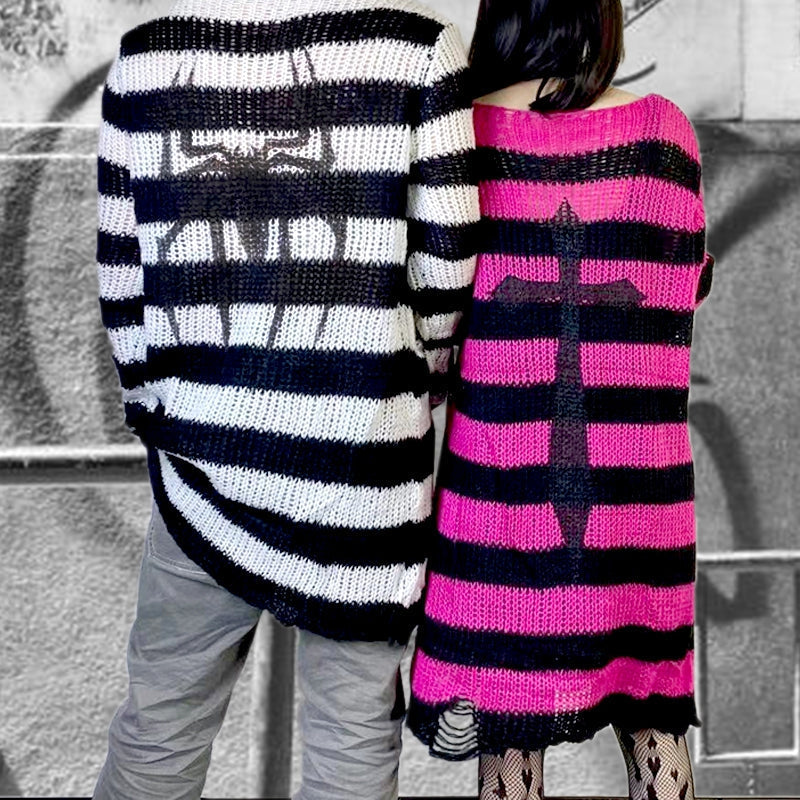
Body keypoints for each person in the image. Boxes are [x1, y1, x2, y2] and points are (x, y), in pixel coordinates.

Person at [93, 0, 479, 797]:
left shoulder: (145, 61)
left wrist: (157, 406)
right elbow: (449, 260)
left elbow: (122, 278)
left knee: (160, 725)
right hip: (363, 467)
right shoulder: (417, 50)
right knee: (350, 738)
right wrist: (415, 375)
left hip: (199, 462)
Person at [406, 1, 714, 799]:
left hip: (498, 494)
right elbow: (687, 284)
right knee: (654, 718)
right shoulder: (664, 137)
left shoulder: (460, 138)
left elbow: (434, 315)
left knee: (508, 732)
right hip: (636, 499)